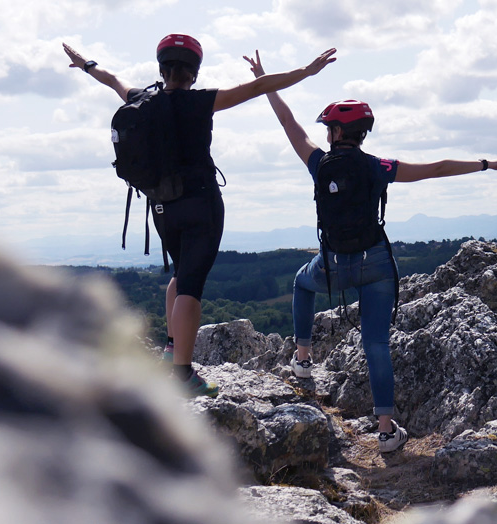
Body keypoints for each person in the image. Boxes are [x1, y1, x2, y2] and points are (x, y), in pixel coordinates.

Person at [243, 51, 497, 453]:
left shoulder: (319, 163)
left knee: (301, 285)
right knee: (376, 344)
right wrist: (486, 164)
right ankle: (387, 432)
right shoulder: (379, 166)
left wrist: (266, 80)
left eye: (328, 128)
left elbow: (288, 123)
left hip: (333, 265)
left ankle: (302, 359)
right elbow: (437, 167)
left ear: (336, 132)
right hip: (376, 264)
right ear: (362, 133)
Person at [63, 37, 336, 397]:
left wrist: (86, 65)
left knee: (180, 273)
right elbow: (258, 87)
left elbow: (113, 79)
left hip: (161, 206)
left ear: (162, 69)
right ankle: (182, 374)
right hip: (201, 205)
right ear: (194, 73)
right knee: (191, 285)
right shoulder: (199, 101)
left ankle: (172, 350)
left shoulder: (141, 100)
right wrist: (306, 71)